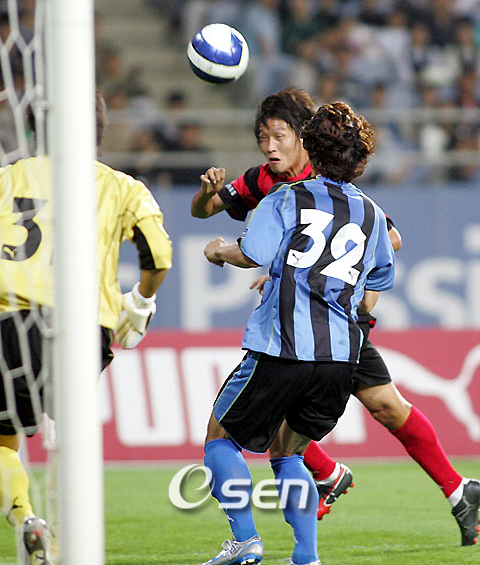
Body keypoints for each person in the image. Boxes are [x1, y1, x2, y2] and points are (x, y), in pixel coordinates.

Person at [191, 87, 480, 546]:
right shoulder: (264, 180)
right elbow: (205, 210)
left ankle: (440, 486)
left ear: (304, 138)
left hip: (332, 317)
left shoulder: (326, 187)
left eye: (279, 136)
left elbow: (390, 239)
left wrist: (308, 268)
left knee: (381, 406)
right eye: (262, 137)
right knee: (311, 419)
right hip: (312, 319)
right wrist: (287, 263)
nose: (269, 147)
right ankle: (333, 490)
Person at [200, 100, 395, 565]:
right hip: (340, 361)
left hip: (281, 347)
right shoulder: (372, 215)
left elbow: (253, 252)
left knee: (220, 437)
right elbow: (373, 293)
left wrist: (219, 251)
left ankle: (245, 540)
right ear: (361, 158)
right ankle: (306, 557)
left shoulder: (286, 198)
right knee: (289, 451)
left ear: (309, 147)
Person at [0, 91, 172, 564]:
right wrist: (141, 302)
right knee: (71, 432)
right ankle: (65, 536)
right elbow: (158, 256)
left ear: (34, 130)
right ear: (99, 131)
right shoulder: (122, 186)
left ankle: (26, 518)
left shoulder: (7, 178)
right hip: (82, 327)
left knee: (2, 438)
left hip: (11, 321)